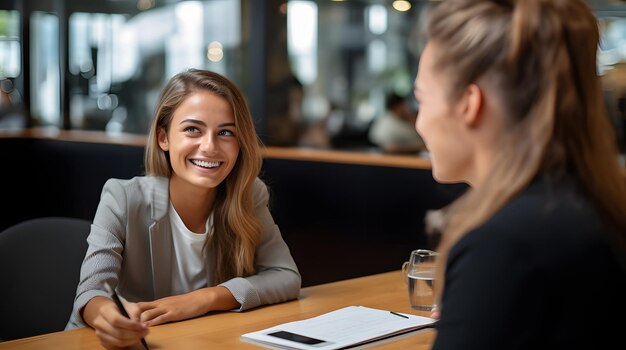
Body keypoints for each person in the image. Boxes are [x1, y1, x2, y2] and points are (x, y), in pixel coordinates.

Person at [413, 0, 626, 349]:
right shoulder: (593, 205)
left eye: (421, 99)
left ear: (469, 103)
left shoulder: (503, 246)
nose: (419, 123)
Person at [65, 69, 301, 349]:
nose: (210, 146)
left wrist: (203, 299)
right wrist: (109, 317)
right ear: (163, 137)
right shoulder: (122, 197)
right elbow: (92, 291)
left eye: (225, 132)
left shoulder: (248, 196)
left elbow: (286, 276)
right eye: (193, 130)